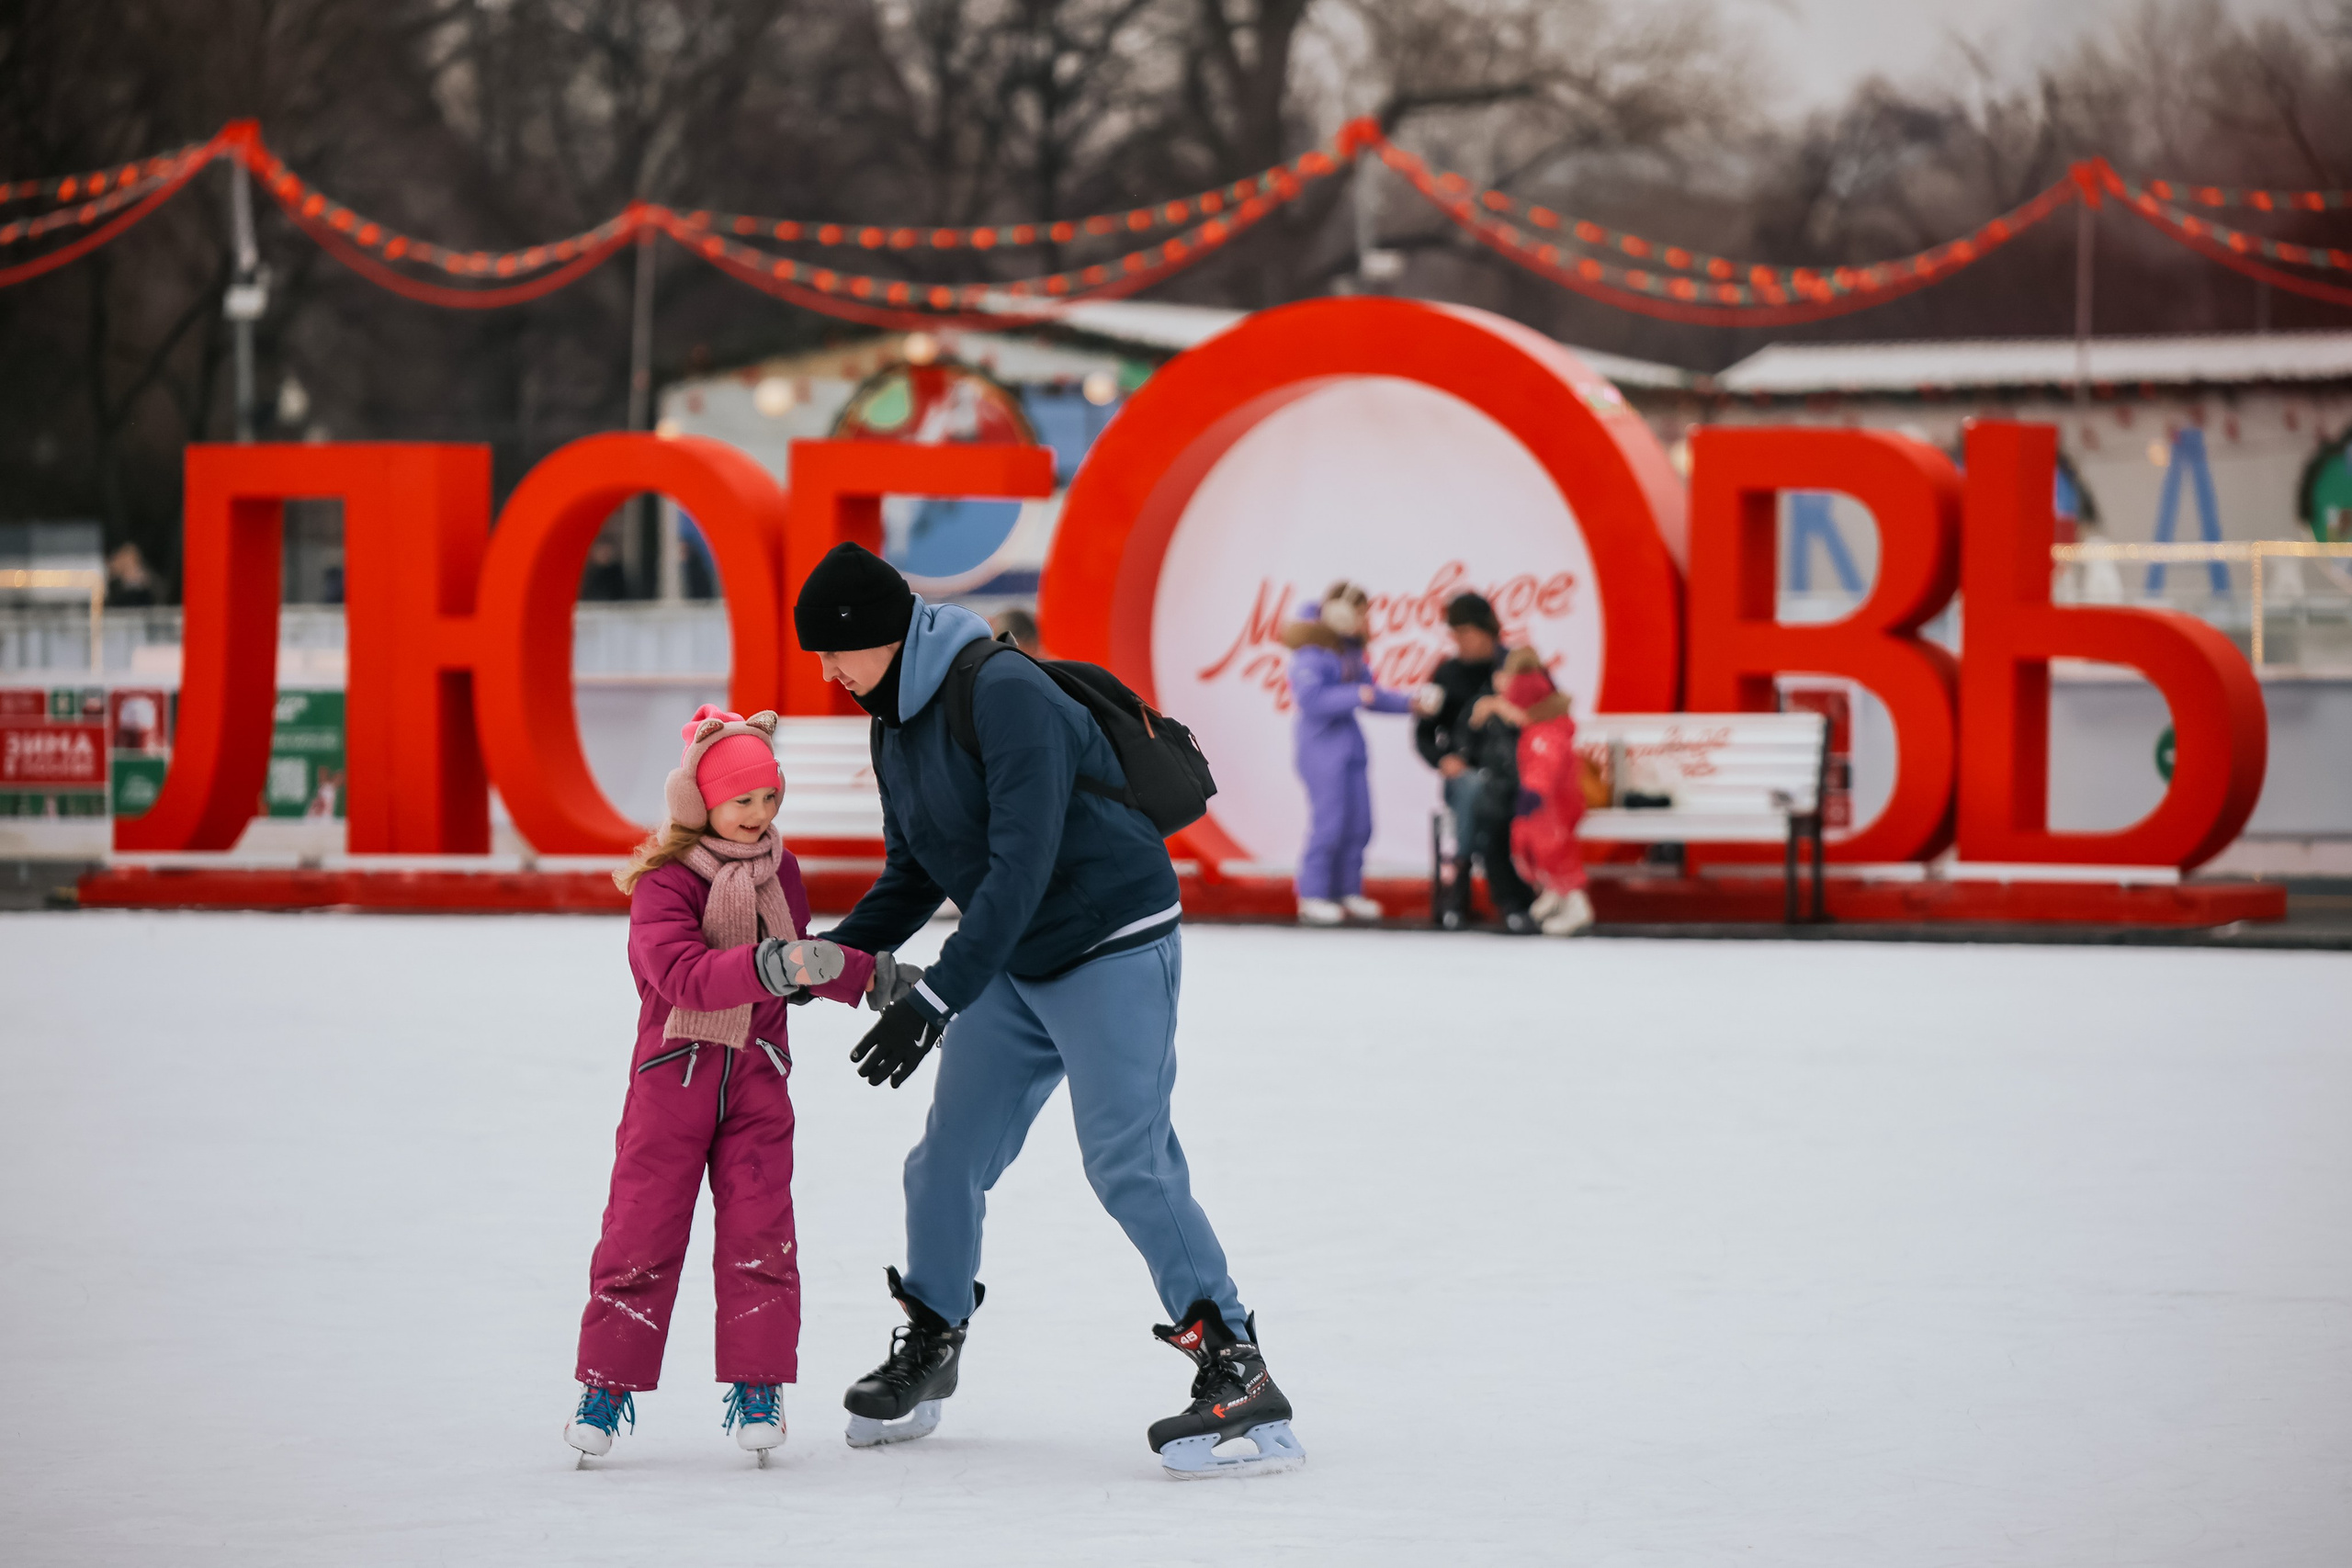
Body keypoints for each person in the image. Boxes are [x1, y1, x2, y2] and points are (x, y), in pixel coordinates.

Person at [796, 541, 1302, 1479]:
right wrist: (827, 959)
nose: (825, 674)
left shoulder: (1005, 692)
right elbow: (918, 870)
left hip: (1112, 940)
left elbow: (1020, 866)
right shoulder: (892, 717)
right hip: (1013, 957)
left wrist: (938, 995)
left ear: (878, 636)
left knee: (1127, 1161)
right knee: (944, 1158)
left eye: (833, 653)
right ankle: (933, 1338)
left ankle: (1236, 1361)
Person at [564, 705, 893, 1467]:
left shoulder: (781, 870)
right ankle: (606, 1385)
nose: (760, 814)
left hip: (756, 1079)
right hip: (671, 1081)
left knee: (760, 1233)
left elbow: (797, 959)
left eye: (769, 797)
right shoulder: (662, 881)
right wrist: (768, 966)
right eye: (743, 799)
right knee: (640, 1233)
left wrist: (866, 975)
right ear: (700, 801)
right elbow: (678, 974)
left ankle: (757, 1385)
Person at [1282, 581, 1412, 925]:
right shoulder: (1310, 653)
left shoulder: (1349, 653)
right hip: (1321, 748)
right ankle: (1313, 895)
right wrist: (1356, 695)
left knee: (1358, 823)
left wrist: (1412, 704)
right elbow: (1311, 701)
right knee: (1330, 823)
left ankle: (1346, 890)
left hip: (1349, 747)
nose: (1363, 620)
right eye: (1359, 613)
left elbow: (1371, 693)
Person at [1412, 592, 1539, 932]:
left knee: (1489, 794)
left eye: (1464, 634)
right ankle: (1508, 899)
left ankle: (1461, 890)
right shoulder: (1447, 673)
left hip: (1518, 772)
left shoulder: (1516, 665)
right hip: (1468, 773)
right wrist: (1443, 759)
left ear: (1486, 630)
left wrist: (1507, 709)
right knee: (1476, 791)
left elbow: (1548, 712)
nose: (1458, 643)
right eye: (1454, 635)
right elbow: (1423, 732)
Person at [1492, 648, 1596, 937]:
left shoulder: (1543, 734)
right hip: (1551, 804)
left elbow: (1544, 767)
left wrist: (1532, 793)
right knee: (1535, 847)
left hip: (1552, 806)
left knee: (1553, 851)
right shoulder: (1541, 728)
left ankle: (1574, 903)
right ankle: (1555, 893)